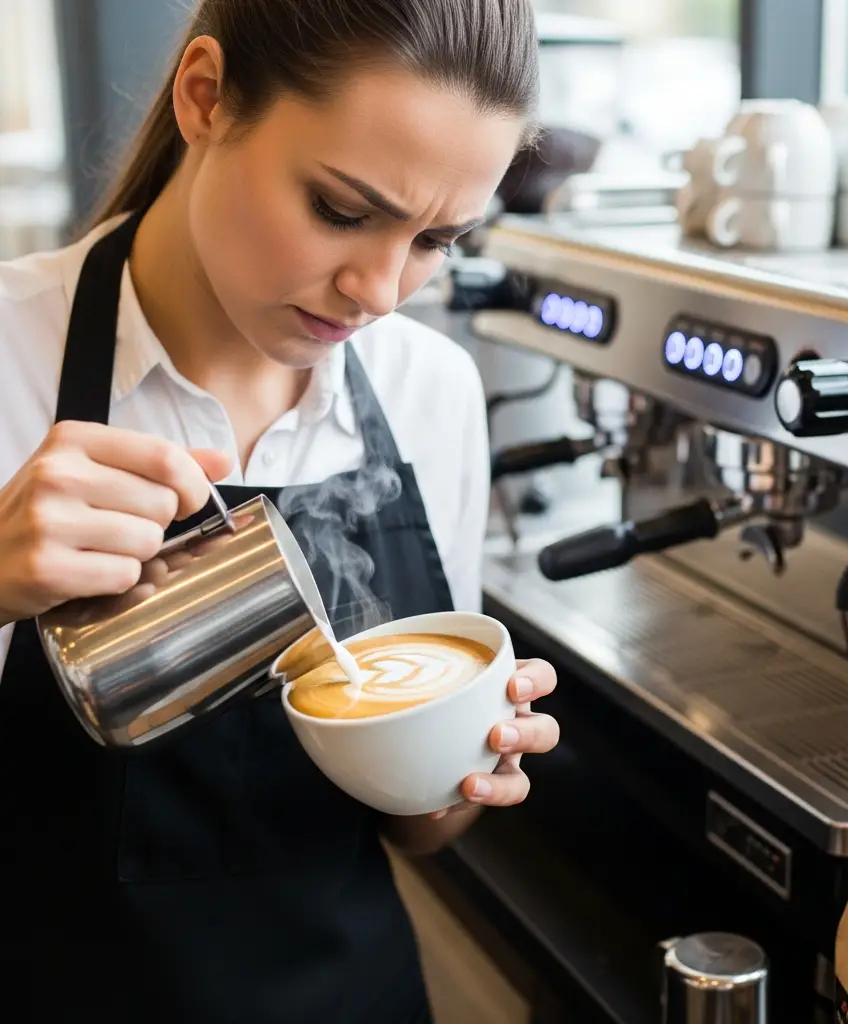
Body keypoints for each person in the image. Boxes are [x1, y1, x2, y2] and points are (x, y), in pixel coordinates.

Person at [0, 2, 560, 1021]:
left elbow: (414, 834)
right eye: (343, 209)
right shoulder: (8, 355)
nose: (380, 290)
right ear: (205, 97)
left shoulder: (429, 387)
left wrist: (459, 762)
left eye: (434, 239)